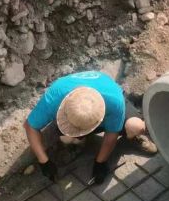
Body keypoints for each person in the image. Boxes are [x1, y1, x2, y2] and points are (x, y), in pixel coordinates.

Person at [24, 71, 157, 185]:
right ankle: (77, 143)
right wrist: (44, 161)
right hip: (81, 107)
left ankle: (132, 135)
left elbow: (111, 135)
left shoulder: (114, 102)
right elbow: (30, 126)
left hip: (109, 104)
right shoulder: (54, 98)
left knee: (135, 126)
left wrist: (100, 162)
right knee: (67, 139)